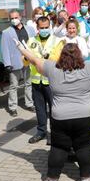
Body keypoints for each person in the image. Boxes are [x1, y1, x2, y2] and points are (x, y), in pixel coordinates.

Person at [16, 29, 90, 181]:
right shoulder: (89, 67)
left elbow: (34, 60)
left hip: (60, 117)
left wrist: (22, 48)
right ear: (80, 55)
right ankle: (85, 179)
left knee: (59, 147)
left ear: (62, 56)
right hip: (85, 116)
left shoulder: (52, 68)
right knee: (84, 146)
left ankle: (52, 180)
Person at [26, 16, 57, 144]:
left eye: (46, 27)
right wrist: (25, 58)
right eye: (42, 28)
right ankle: (41, 131)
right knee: (39, 108)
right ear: (37, 28)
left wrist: (49, 57)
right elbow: (24, 61)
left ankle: (54, 134)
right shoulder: (31, 41)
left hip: (51, 81)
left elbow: (59, 59)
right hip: (36, 80)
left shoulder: (56, 40)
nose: (44, 30)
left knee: (54, 109)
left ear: (49, 27)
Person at [1, 10, 36, 117]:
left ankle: (29, 103)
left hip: (28, 60)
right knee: (13, 85)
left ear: (20, 17)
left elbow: (35, 44)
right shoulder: (6, 32)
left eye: (16, 17)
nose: (14, 20)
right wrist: (7, 63)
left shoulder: (30, 29)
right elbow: (4, 48)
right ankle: (12, 107)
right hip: (14, 61)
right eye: (12, 18)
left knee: (29, 83)